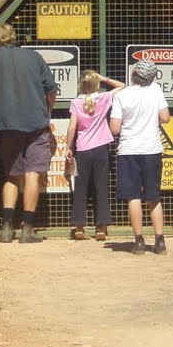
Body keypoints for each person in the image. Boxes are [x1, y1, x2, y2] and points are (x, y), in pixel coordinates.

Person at [0, 24, 57, 244]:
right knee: (32, 174)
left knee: (12, 175)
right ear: (15, 37)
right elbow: (50, 88)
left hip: (6, 123)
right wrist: (47, 112)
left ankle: (7, 228)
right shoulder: (34, 57)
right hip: (36, 122)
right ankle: (27, 229)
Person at [109, 59, 171, 254]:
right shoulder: (156, 90)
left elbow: (115, 128)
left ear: (134, 74)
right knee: (154, 196)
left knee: (133, 196)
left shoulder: (122, 96)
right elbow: (165, 117)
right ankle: (160, 241)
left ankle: (139, 241)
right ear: (152, 77)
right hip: (152, 149)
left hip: (129, 150)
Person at [64, 69, 122, 241]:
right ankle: (101, 228)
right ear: (96, 84)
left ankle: (79, 226)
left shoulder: (75, 102)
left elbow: (72, 127)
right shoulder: (104, 98)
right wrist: (104, 78)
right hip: (101, 150)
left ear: (81, 85)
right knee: (101, 188)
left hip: (82, 150)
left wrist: (68, 147)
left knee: (80, 188)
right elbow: (123, 86)